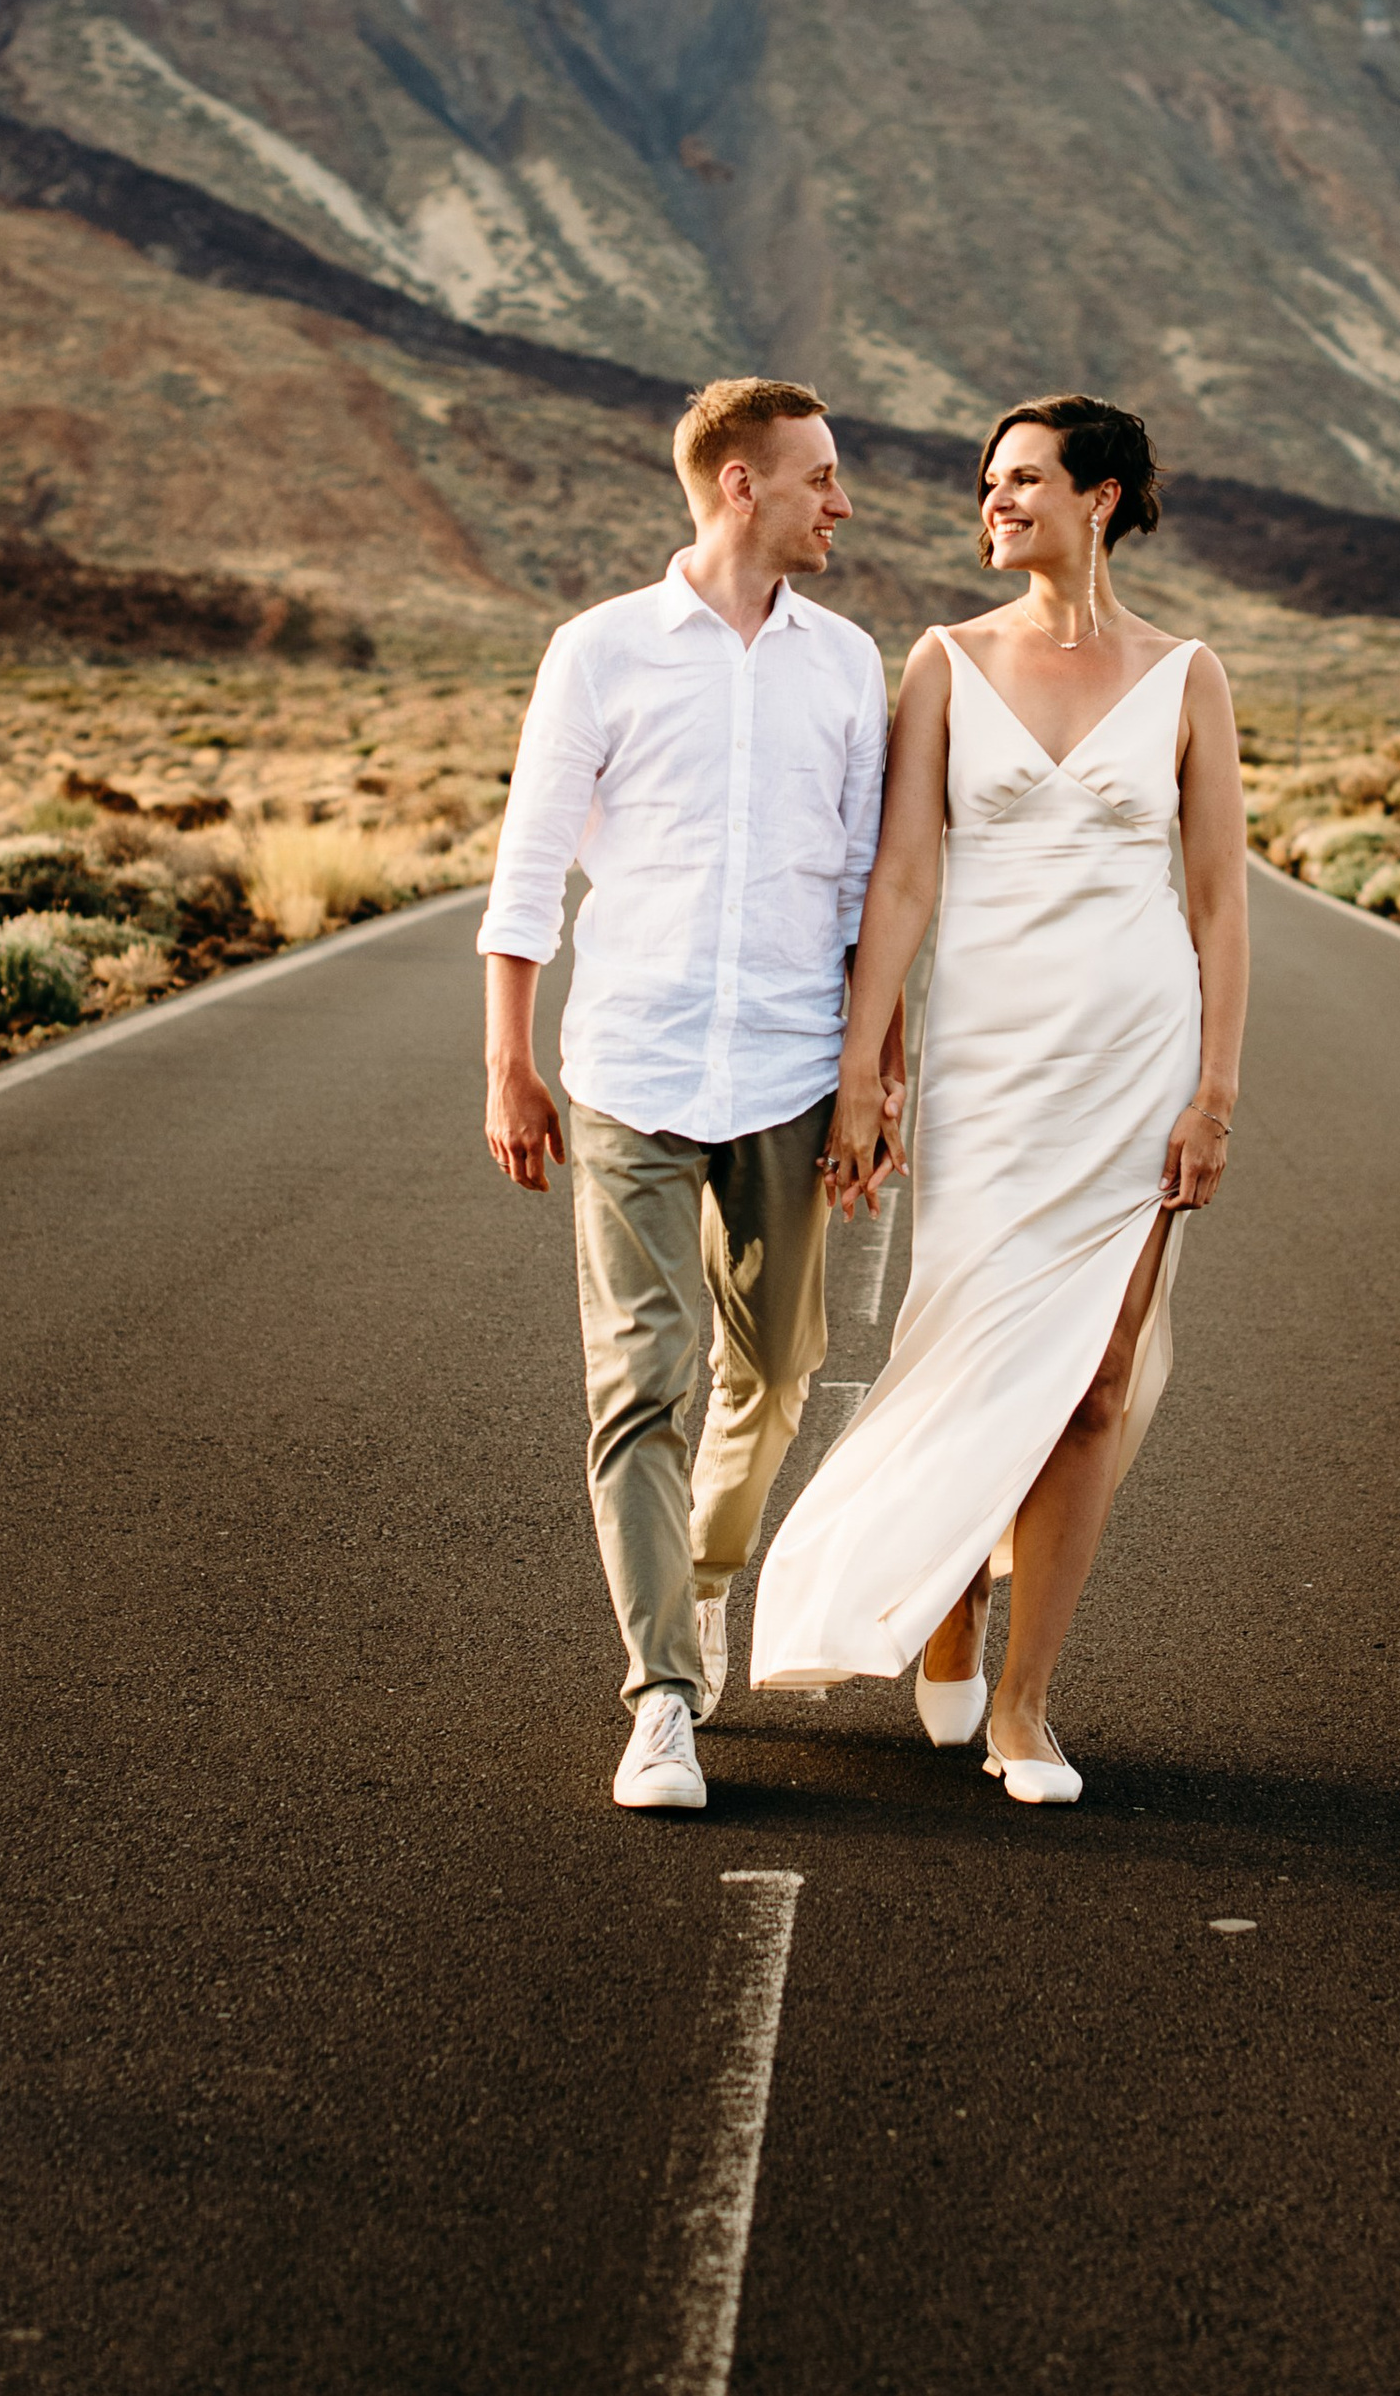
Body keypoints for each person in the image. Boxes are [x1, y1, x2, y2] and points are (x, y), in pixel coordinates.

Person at [749, 395, 1249, 1803]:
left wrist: (1215, 1092)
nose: (995, 502)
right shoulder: (945, 663)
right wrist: (866, 1068)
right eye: (988, 484)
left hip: (1134, 1062)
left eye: (1023, 479)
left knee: (1093, 1384)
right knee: (968, 1350)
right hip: (991, 1068)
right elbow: (901, 879)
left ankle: (1027, 1702)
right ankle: (947, 1595)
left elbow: (1219, 903)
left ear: (1100, 498)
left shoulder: (1188, 673)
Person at [476, 377, 891, 1813]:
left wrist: (866, 1074)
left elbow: (858, 892)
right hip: (632, 1071)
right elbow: (529, 870)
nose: (841, 501)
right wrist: (507, 1059)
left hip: (785, 1068)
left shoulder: (847, 666)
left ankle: (703, 1576)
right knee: (639, 1378)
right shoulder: (596, 654)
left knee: (776, 1373)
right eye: (822, 476)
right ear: (740, 486)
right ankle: (660, 1693)